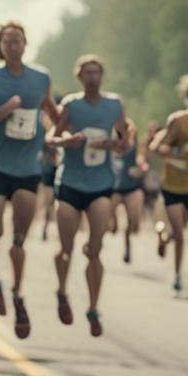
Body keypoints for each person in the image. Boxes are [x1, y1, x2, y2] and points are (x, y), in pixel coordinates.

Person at [0, 21, 58, 339]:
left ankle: (18, 294)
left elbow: (55, 116)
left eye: (18, 40)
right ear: (0, 46)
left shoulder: (40, 79)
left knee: (19, 239)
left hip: (28, 169)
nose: (13, 45)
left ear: (25, 44)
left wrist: (63, 137)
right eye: (7, 41)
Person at [50, 55, 129, 337]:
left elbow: (125, 141)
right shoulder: (71, 104)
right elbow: (51, 138)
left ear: (102, 75)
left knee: (95, 250)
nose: (92, 77)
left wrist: (116, 144)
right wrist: (67, 141)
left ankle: (93, 308)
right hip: (70, 183)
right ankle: (61, 292)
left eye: (96, 72)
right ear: (79, 77)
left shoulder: (114, 104)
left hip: (101, 185)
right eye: (87, 73)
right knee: (67, 248)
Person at [150, 76, 188, 292]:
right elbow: (158, 147)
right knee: (181, 233)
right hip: (173, 185)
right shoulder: (177, 120)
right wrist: (178, 151)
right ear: (186, 99)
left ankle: (163, 237)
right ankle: (177, 276)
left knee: (179, 231)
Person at [110, 116, 145, 264]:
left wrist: (140, 169)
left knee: (134, 223)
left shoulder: (135, 147)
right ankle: (114, 221)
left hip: (132, 188)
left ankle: (127, 243)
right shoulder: (109, 146)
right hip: (115, 189)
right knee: (110, 224)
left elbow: (142, 161)